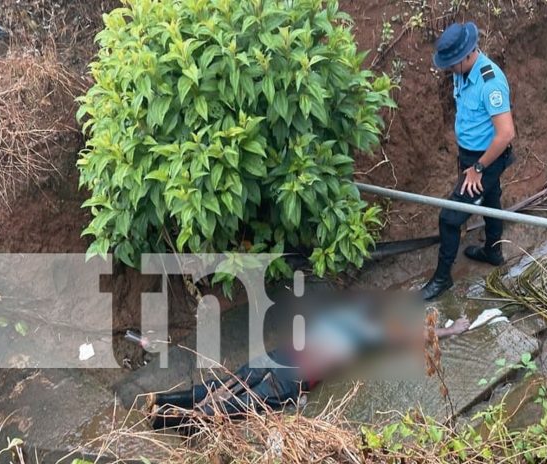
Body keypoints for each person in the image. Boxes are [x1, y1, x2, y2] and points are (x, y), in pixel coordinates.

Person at [144, 293, 470, 433]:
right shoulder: (368, 332)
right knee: (234, 408)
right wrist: (449, 330)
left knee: (224, 385)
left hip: (277, 355)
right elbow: (408, 338)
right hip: (293, 376)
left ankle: (161, 400)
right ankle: (165, 423)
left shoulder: (337, 314)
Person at [419, 21, 515, 300]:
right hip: (471, 156)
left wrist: (477, 169)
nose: (448, 70)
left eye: (451, 64)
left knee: (449, 218)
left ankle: (442, 278)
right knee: (491, 199)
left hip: (486, 160)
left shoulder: (490, 82)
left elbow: (506, 133)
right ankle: (493, 252)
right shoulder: (462, 72)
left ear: (467, 55)